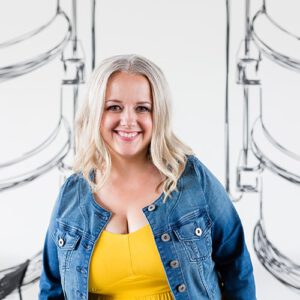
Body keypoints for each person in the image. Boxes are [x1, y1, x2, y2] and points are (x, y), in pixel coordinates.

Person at [39, 54, 256, 300]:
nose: (128, 121)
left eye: (142, 108)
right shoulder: (72, 195)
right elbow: (52, 287)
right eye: (114, 107)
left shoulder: (192, 180)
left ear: (159, 114)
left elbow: (236, 263)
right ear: (96, 113)